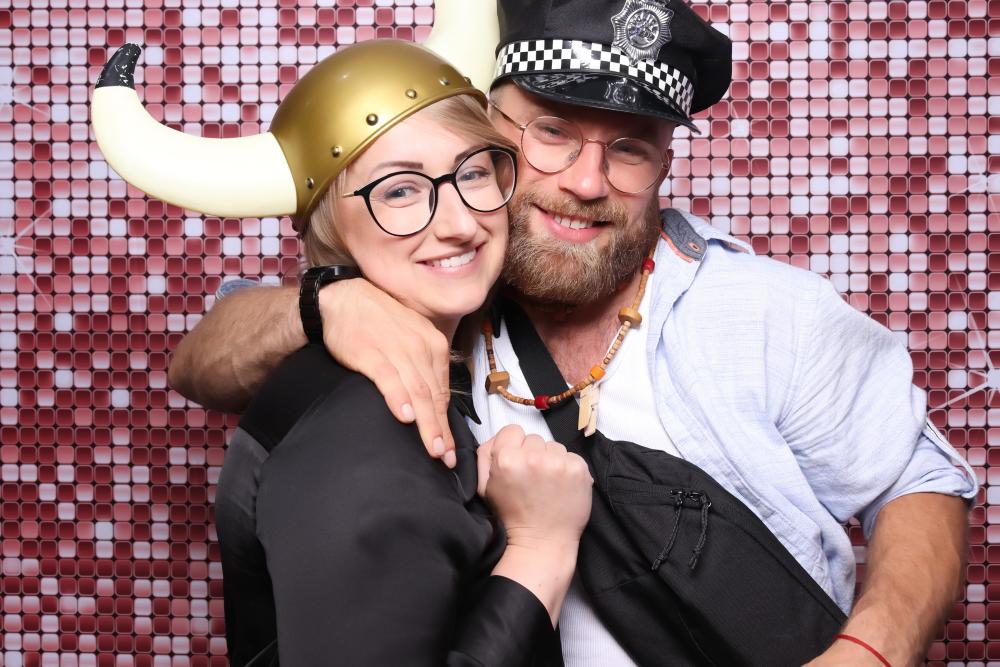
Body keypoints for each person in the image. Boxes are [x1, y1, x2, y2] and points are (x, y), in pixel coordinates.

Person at [166, 0, 979, 665]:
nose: (587, 182)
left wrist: (869, 652)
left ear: (665, 163)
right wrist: (325, 303)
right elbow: (207, 358)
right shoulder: (434, 286)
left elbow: (917, 478)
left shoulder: (769, 312)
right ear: (490, 129)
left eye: (628, 148)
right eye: (552, 131)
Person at [92, 39, 595, 665]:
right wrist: (540, 549)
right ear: (331, 225)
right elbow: (198, 360)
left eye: (471, 173)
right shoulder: (371, 422)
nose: (461, 224)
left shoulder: (451, 344)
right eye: (400, 192)